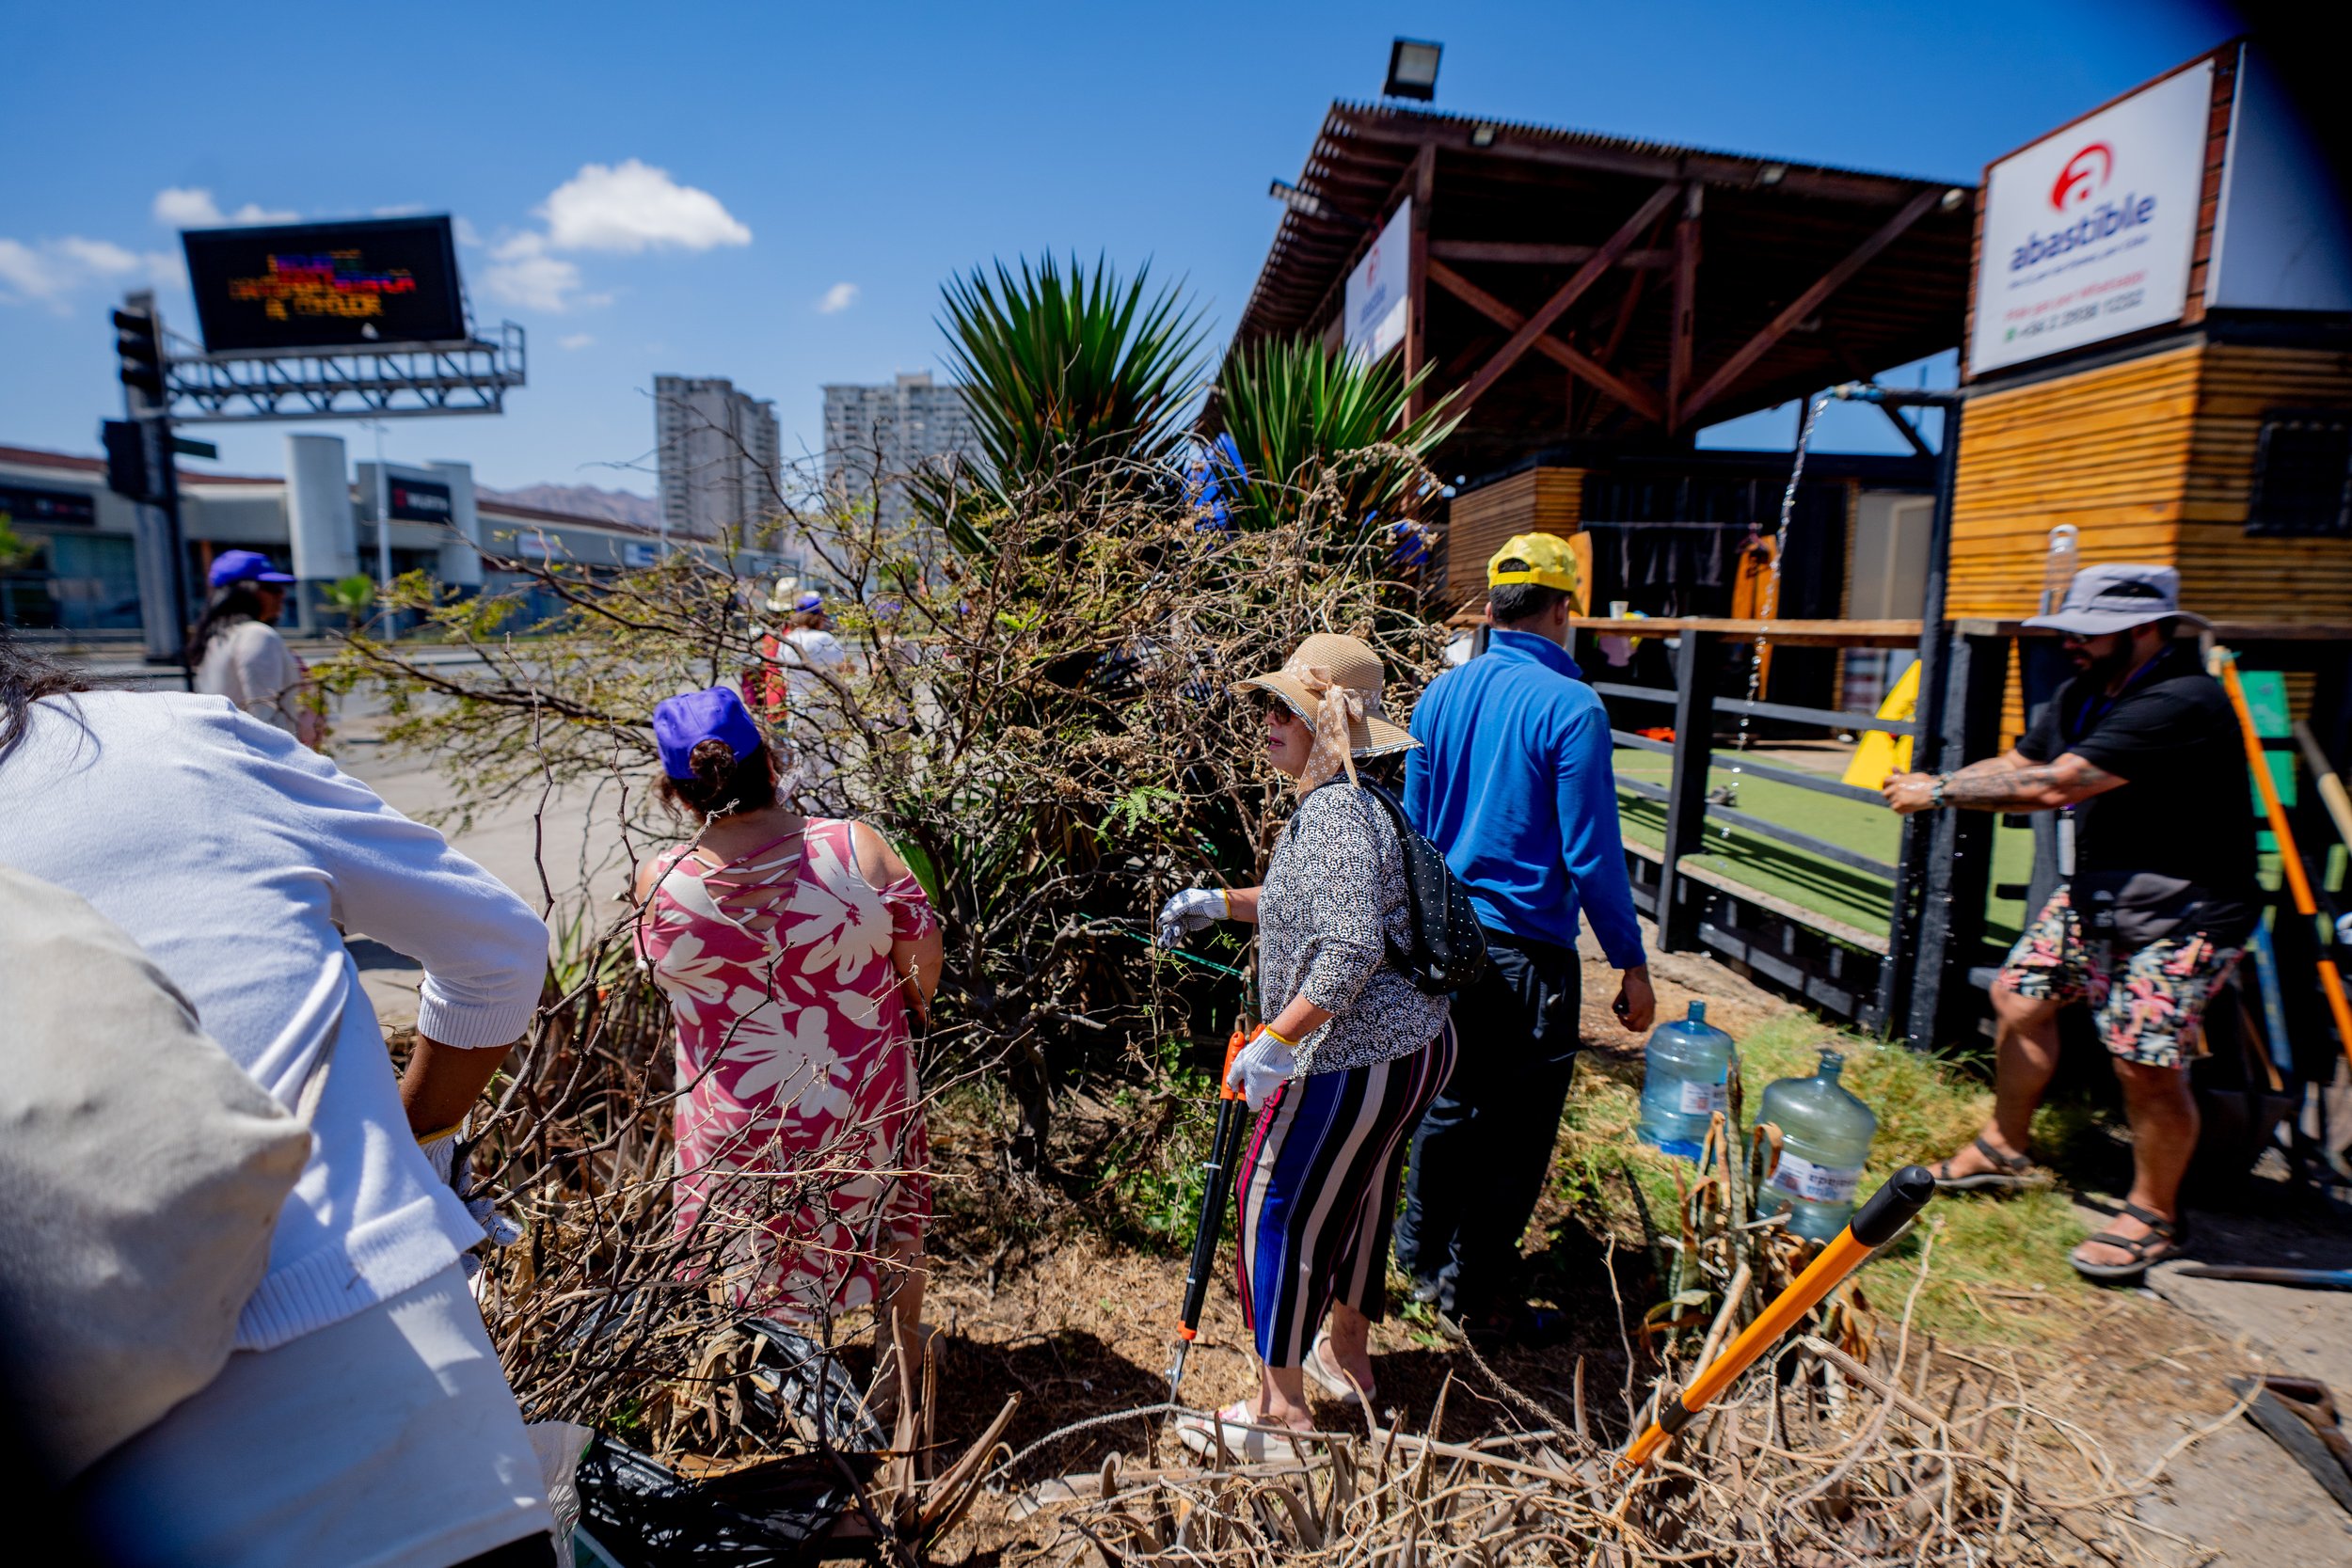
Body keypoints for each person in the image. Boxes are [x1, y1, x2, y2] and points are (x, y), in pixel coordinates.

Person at [0, 631, 559, 1567]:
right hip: (396, 1406)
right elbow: (498, 950)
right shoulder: (172, 739)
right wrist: (420, 1122)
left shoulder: (210, 665)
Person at [1885, 564, 2259, 1283]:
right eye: (2070, 629)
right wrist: (1946, 777)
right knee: (2019, 997)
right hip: (2103, 893)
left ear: (2148, 630)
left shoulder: (2182, 698)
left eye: (2091, 632)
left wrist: (1938, 791)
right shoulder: (2086, 691)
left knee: (2143, 1061)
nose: (2071, 643)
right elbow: (2024, 761)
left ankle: (2154, 1214)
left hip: (2190, 909)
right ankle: (2005, 1146)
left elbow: (2059, 784)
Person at [1155, 634, 1456, 1457]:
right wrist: (1221, 900)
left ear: (1328, 717)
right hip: (1411, 1046)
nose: (1265, 720)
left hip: (1356, 1053)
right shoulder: (1361, 800)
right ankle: (1347, 1356)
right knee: (1356, 1196)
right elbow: (1308, 903)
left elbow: (1350, 948)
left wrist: (1277, 1041)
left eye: (1282, 706)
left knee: (1272, 1200)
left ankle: (1279, 1413)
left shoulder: (1331, 812)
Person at [631, 687, 942, 1406]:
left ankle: (767, 1388)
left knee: (741, 1247)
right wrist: (898, 1011)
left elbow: (671, 987)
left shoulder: (661, 882)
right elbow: (923, 961)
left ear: (676, 792)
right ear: (769, 759)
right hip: (858, 1102)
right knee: (891, 1227)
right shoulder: (855, 846)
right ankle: (895, 1372)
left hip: (734, 1124)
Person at [1394, 533, 1656, 1343]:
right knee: (1516, 1129)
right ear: (1562, 609)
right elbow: (1592, 854)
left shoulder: (1440, 694)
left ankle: (1415, 1258)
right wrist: (1631, 960)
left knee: (1448, 1100)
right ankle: (1471, 1288)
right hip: (1530, 951)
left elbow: (1412, 828)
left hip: (1448, 938)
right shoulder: (1572, 707)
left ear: (1494, 606)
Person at [189, 549, 319, 746]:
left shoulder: (216, 639)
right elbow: (266, 720)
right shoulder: (257, 635)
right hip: (265, 758)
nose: (282, 595)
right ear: (244, 592)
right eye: (271, 587)